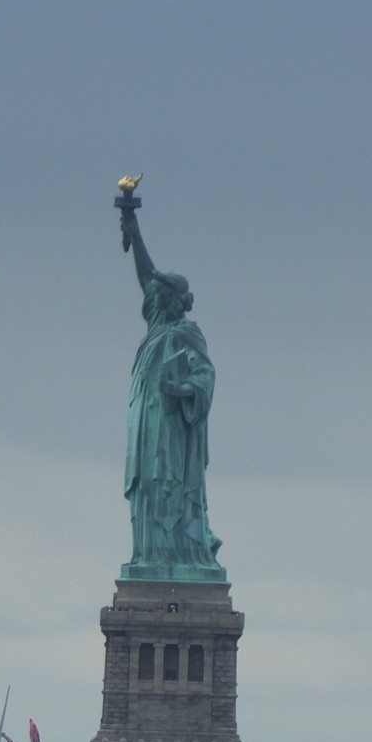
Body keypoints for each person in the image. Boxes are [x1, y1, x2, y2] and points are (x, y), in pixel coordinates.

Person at [117, 202, 224, 577]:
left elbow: (206, 375)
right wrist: (133, 228)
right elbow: (146, 275)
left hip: (172, 430)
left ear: (173, 299)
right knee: (147, 486)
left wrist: (181, 388)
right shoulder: (157, 327)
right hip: (146, 426)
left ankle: (178, 552)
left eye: (160, 293)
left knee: (168, 484)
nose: (153, 295)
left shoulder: (186, 333)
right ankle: (149, 555)